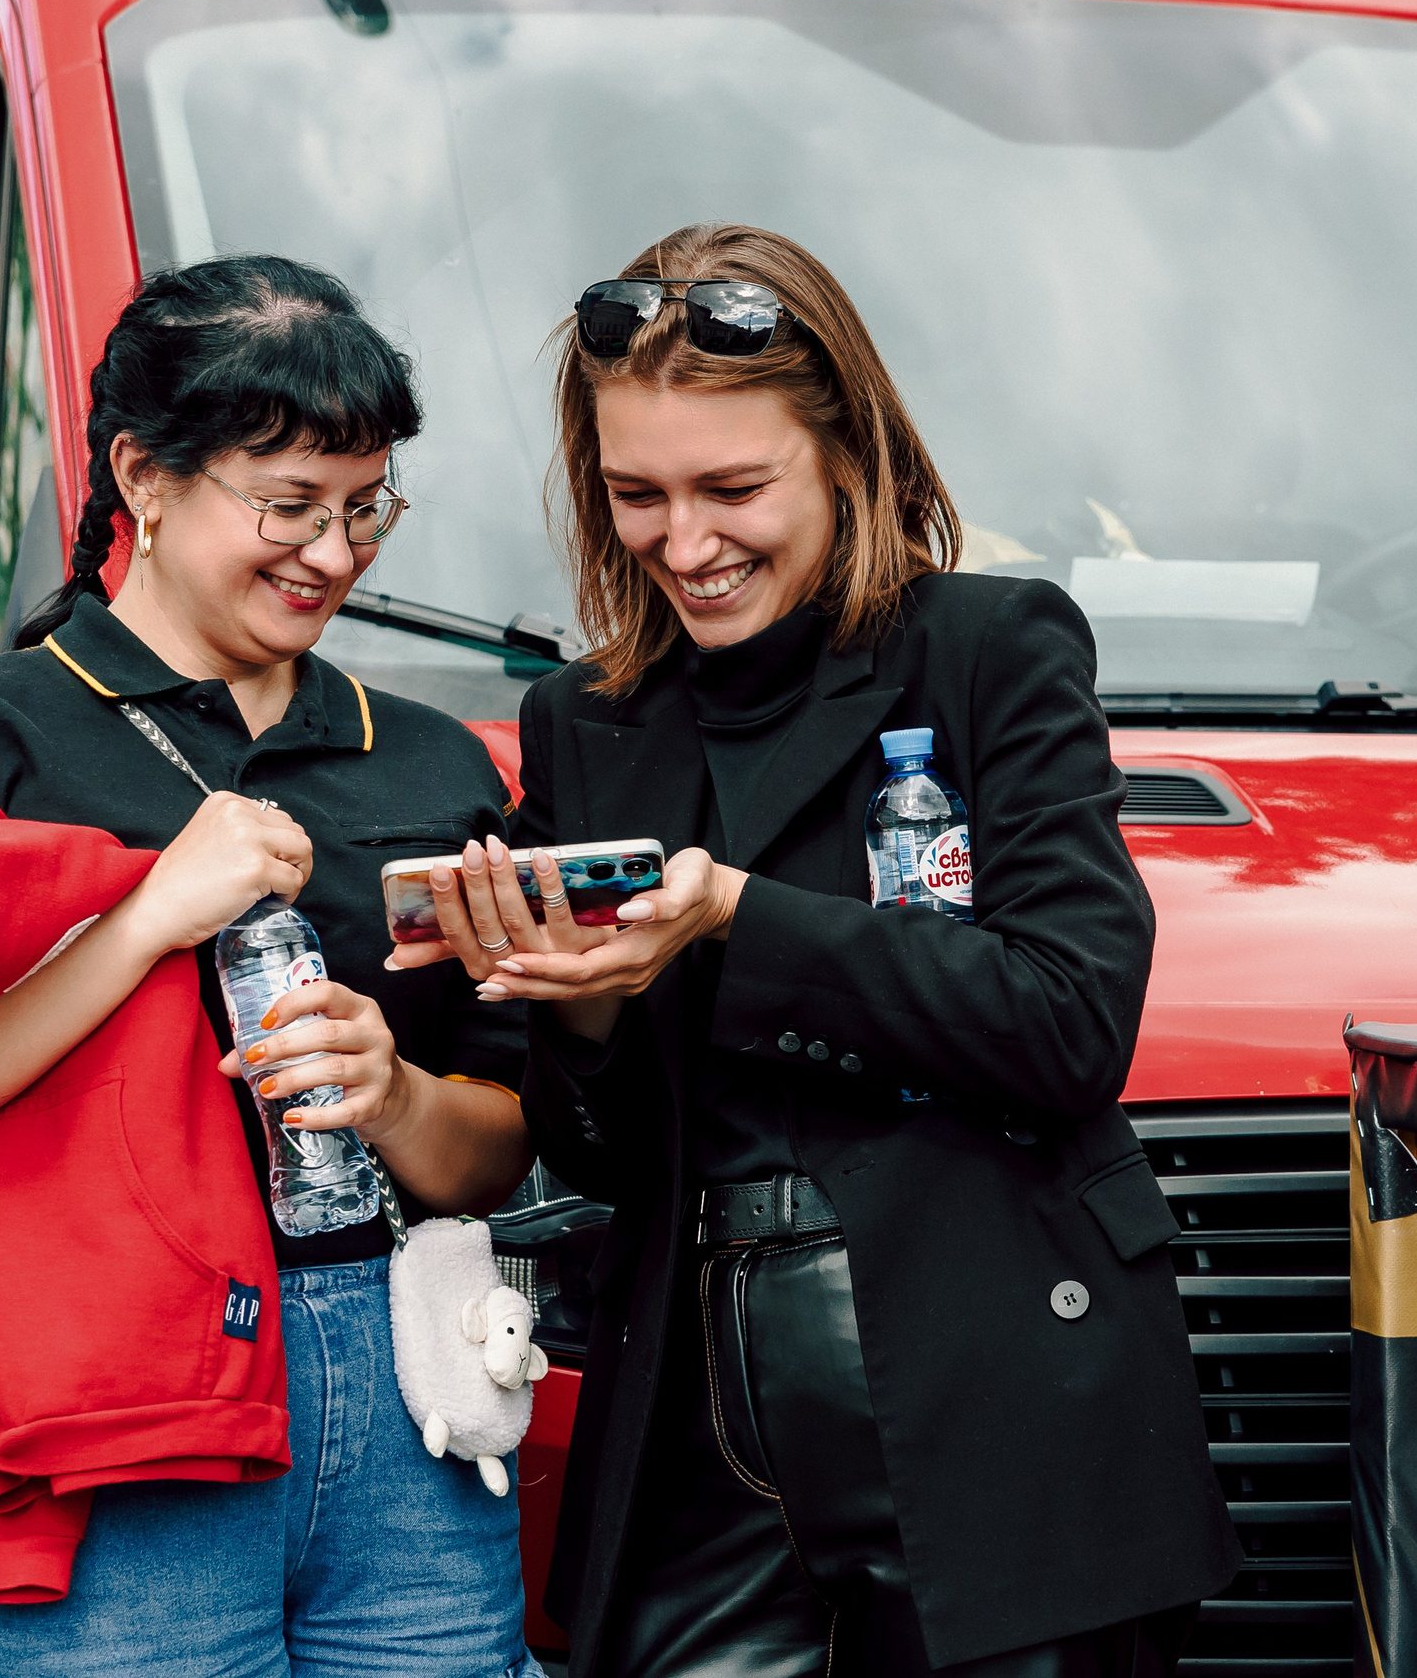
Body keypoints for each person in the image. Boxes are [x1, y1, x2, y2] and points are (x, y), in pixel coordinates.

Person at [403, 223, 1239, 1677]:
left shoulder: (992, 651)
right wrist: (582, 1013)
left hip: (993, 1390)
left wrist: (735, 914)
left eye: (735, 487)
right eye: (636, 495)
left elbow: (1068, 1024)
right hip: (695, 1420)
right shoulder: (585, 724)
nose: (686, 541)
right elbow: (597, 1154)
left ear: (847, 455)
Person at [0, 254, 541, 1678]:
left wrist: (393, 1099)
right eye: (289, 508)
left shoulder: (433, 763)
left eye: (366, 506)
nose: (335, 555)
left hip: (411, 1412)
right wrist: (140, 922)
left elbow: (499, 1146)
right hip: (109, 1437)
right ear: (144, 475)